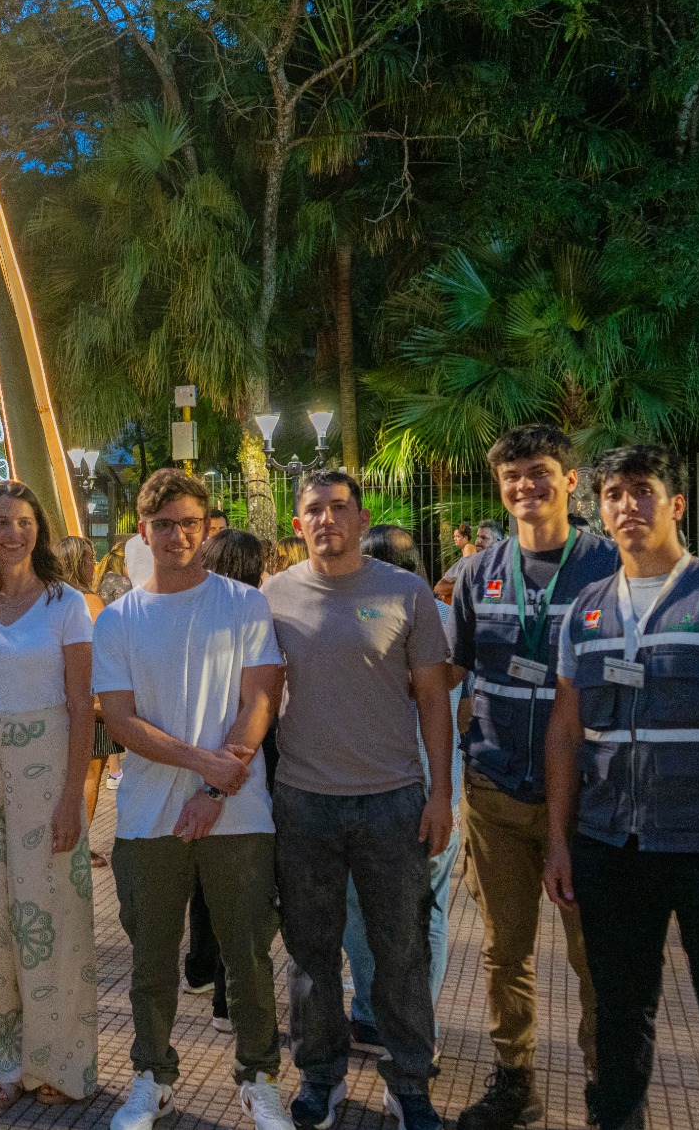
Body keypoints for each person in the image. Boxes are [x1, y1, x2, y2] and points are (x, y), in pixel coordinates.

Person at [543, 445, 699, 1130]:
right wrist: (559, 843)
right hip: (611, 850)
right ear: (599, 508)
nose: (628, 505)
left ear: (676, 504)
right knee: (619, 1016)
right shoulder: (586, 611)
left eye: (643, 490)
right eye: (614, 494)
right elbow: (565, 734)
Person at [93, 469, 290, 1130]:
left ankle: (259, 1080)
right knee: (150, 961)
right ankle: (152, 1078)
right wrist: (200, 762)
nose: (177, 535)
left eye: (188, 523)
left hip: (238, 812)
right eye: (164, 524)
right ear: (142, 531)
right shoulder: (119, 618)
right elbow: (121, 721)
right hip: (148, 816)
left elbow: (259, 699)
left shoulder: (245, 604)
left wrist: (212, 786)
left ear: (207, 528)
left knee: (248, 957)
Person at [265, 472, 453, 1130]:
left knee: (401, 951)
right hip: (304, 800)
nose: (327, 519)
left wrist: (441, 793)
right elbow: (258, 694)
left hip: (392, 800)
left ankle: (410, 1083)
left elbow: (434, 699)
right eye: (314, 509)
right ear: (297, 523)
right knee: (310, 954)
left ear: (361, 516)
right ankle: (321, 1077)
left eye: (339, 507)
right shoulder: (273, 595)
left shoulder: (405, 592)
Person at [447, 424, 617, 1130]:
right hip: (494, 789)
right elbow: (452, 669)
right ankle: (515, 1080)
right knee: (504, 951)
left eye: (540, 471)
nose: (526, 485)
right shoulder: (478, 571)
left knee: (597, 957)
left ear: (570, 481)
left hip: (588, 799)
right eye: (512, 475)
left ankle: (609, 1089)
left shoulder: (609, 563)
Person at [0, 481, 98, 1109]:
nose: (13, 533)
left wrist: (72, 798)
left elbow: (81, 706)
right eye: (1, 522)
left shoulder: (67, 604)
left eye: (24, 522)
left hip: (47, 758)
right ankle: (0, 1061)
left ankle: (57, 1061)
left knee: (51, 911)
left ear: (40, 530)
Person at [341, 525, 462, 1055]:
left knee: (361, 903)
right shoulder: (450, 620)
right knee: (427, 908)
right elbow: (466, 707)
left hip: (386, 786)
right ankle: (416, 1020)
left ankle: (374, 1015)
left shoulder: (361, 616)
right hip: (437, 787)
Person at [183, 529, 277, 1036]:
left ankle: (200, 970)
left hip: (199, 756)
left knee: (204, 878)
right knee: (241, 888)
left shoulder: (198, 614)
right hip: (251, 756)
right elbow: (263, 701)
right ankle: (227, 998)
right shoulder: (259, 612)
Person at [55, 534, 117, 868]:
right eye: (90, 558)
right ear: (79, 562)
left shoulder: (51, 599)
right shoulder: (89, 600)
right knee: (91, 772)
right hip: (91, 697)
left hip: (60, 695)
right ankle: (81, 845)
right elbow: (104, 649)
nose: (94, 564)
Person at [434, 520, 504, 604]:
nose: (478, 541)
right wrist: (463, 585)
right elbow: (438, 588)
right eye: (477, 536)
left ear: (497, 542)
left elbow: (491, 602)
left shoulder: (499, 567)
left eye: (483, 537)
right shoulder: (466, 561)